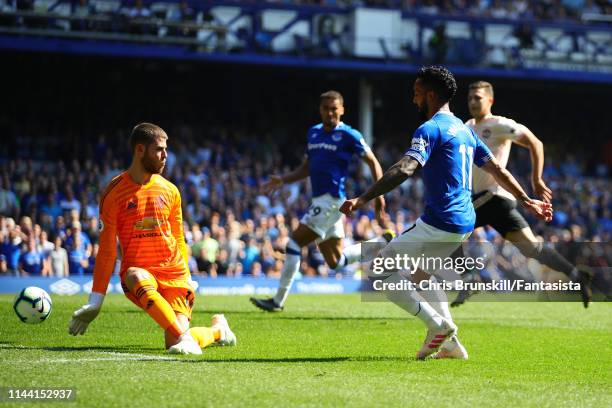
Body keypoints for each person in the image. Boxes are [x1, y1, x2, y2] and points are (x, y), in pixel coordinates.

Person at [340, 66, 552, 360]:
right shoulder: (465, 130)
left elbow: (405, 167)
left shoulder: (431, 128)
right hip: (464, 222)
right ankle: (452, 346)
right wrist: (526, 199)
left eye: (416, 93)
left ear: (429, 94)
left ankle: (437, 325)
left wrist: (363, 197)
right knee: (421, 276)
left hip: (441, 221)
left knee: (379, 271)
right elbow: (498, 170)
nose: (413, 100)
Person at [68, 123, 236, 355]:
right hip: (140, 271)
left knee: (175, 342)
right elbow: (106, 251)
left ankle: (218, 331)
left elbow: (177, 236)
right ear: (139, 150)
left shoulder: (170, 191)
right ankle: (187, 336)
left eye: (166, 149)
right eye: (159, 149)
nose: (165, 156)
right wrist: (96, 301)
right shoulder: (114, 193)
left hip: (174, 273)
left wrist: (186, 274)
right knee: (135, 275)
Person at [450, 81, 592, 308]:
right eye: (469, 99)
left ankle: (468, 279)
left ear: (490, 100)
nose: (473, 102)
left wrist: (536, 179)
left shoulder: (499, 124)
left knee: (448, 224)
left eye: (478, 98)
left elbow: (535, 143)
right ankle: (576, 275)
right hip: (492, 201)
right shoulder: (467, 127)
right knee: (532, 248)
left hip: (493, 196)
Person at [250, 90, 392, 312]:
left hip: (332, 201)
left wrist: (378, 195)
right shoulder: (313, 133)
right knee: (336, 261)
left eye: (334, 108)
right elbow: (306, 168)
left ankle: (278, 301)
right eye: (326, 108)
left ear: (342, 110)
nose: (330, 113)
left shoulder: (349, 135)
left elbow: (373, 162)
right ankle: (381, 243)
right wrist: (283, 179)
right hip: (321, 201)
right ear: (320, 110)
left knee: (294, 243)